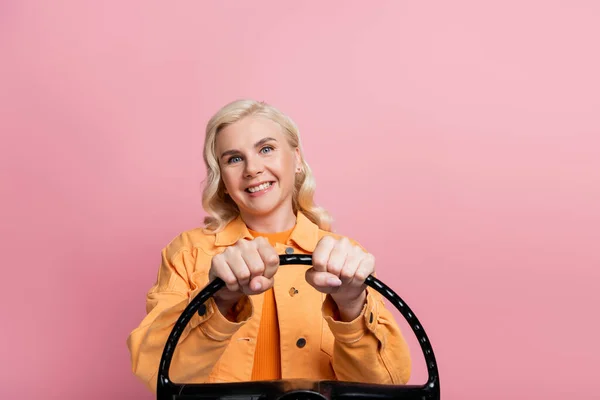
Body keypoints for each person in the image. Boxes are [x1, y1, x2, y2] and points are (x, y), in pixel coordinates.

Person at [126, 99, 412, 392]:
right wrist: (219, 302)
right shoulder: (188, 252)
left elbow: (387, 386)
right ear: (223, 179)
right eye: (234, 159)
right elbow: (154, 373)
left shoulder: (343, 257)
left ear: (297, 159)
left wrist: (351, 306)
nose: (252, 169)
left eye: (266, 149)